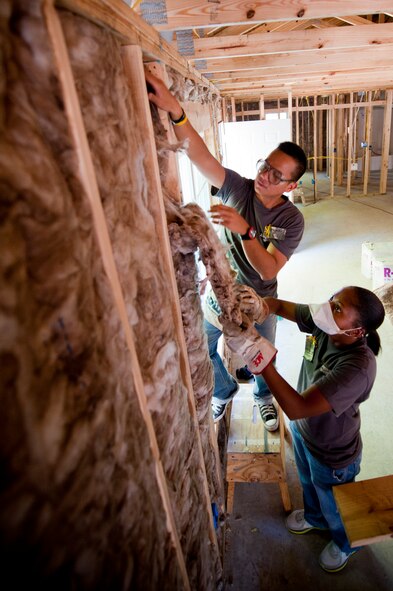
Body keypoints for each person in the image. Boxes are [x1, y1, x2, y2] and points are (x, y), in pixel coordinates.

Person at [145, 69, 307, 430]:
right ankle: (223, 389)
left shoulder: (292, 220)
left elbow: (268, 270)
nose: (265, 176)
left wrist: (246, 230)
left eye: (276, 175)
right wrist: (176, 111)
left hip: (260, 301)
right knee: (201, 345)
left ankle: (265, 399)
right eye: (266, 166)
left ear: (291, 185)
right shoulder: (238, 187)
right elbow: (201, 157)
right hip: (218, 294)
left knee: (261, 358)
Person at [229, 284, 385, 572]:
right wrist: (257, 305)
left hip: (332, 452)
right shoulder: (326, 323)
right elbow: (276, 305)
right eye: (332, 299)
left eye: (337, 308)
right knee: (308, 484)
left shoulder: (357, 369)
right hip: (304, 433)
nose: (327, 307)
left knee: (334, 503)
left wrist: (262, 363)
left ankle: (344, 543)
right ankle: (314, 518)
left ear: (357, 331)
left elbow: (297, 406)